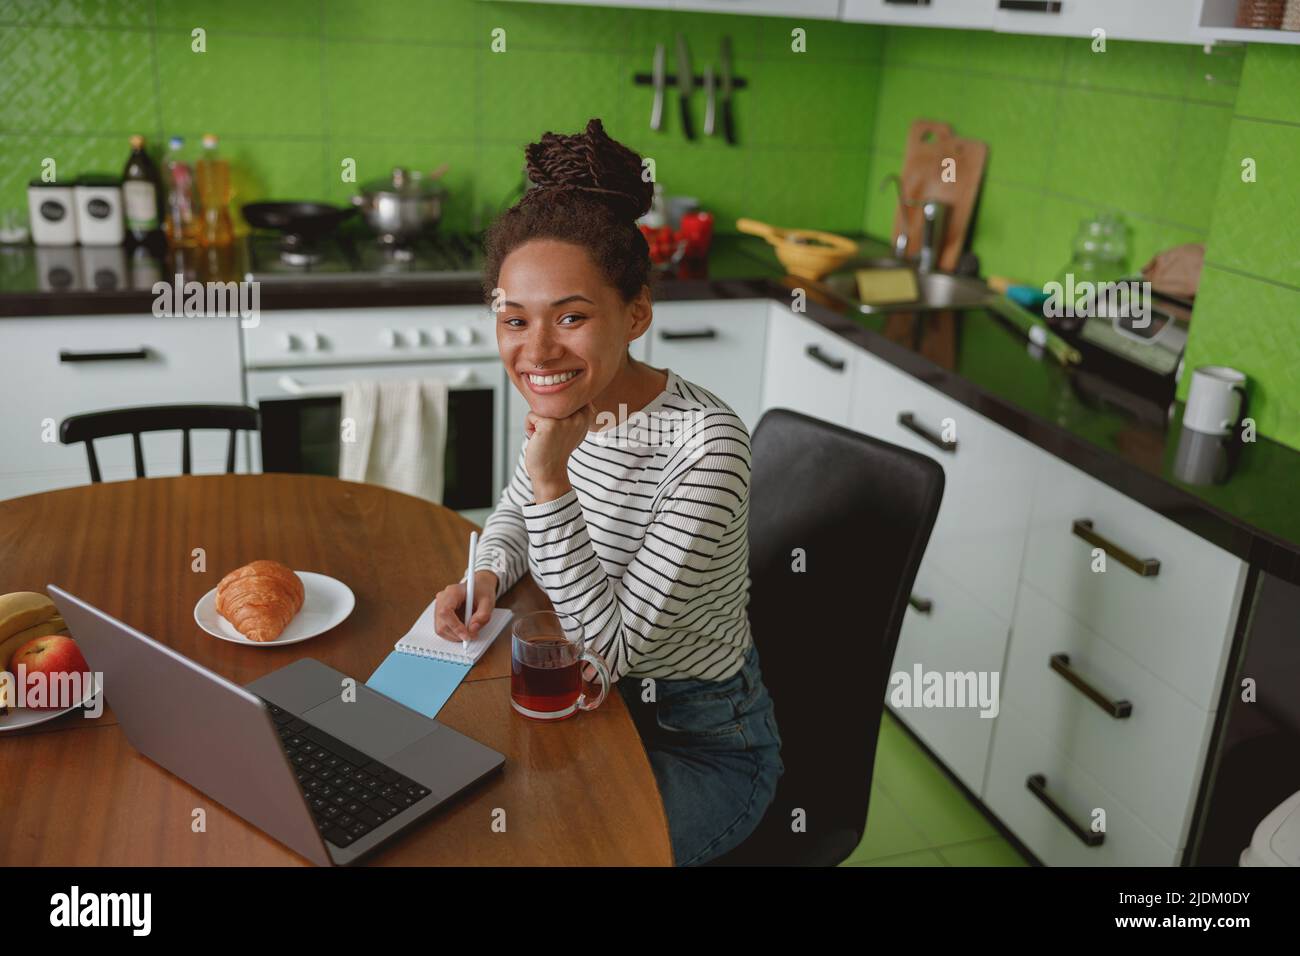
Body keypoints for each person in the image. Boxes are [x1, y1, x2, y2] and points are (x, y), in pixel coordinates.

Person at [433, 118, 782, 866]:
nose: (538, 350)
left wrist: (553, 475)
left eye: (572, 316)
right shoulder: (565, 407)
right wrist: (489, 571)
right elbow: (515, 511)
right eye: (515, 320)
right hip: (595, 711)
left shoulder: (706, 444)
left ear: (637, 313)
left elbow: (604, 650)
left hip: (699, 741)